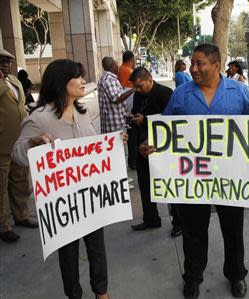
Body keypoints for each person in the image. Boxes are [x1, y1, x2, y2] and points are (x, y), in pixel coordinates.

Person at [140, 43, 249, 299]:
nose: (194, 68)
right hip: (194, 180)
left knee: (233, 230)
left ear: (216, 65)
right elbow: (165, 131)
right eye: (192, 63)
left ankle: (236, 275)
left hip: (230, 179)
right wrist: (150, 145)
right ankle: (193, 277)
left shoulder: (239, 92)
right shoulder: (181, 95)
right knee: (193, 232)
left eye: (200, 63)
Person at [12, 59, 127, 299]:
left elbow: (94, 147)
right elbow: (18, 153)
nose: (84, 81)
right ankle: (73, 294)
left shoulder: (81, 113)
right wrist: (33, 143)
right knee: (68, 252)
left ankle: (101, 292)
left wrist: (113, 144)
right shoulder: (39, 118)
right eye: (79, 77)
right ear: (62, 81)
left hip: (90, 198)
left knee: (97, 247)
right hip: (63, 204)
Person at [128, 67, 182, 237]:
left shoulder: (165, 93)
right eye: (135, 87)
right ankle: (151, 218)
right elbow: (138, 115)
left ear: (150, 79)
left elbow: (171, 120)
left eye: (140, 86)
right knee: (144, 184)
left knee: (169, 185)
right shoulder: (138, 95)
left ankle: (178, 222)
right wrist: (134, 120)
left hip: (162, 147)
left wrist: (146, 120)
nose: (137, 90)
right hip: (143, 146)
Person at [0, 48, 38, 243]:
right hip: (2, 144)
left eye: (7, 61)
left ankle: (21, 215)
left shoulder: (15, 81)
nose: (5, 65)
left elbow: (20, 104)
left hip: (19, 141)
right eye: (1, 62)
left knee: (20, 181)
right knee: (2, 186)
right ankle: (3, 225)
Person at [98, 56, 134, 134]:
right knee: (121, 145)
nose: (118, 66)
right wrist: (133, 90)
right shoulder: (110, 80)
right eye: (116, 64)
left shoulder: (104, 78)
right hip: (116, 125)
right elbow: (116, 99)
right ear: (112, 66)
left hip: (110, 124)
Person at [118, 50, 138, 169]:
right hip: (129, 103)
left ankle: (132, 160)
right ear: (131, 60)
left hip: (127, 103)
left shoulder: (122, 69)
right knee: (132, 132)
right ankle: (133, 161)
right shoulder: (128, 70)